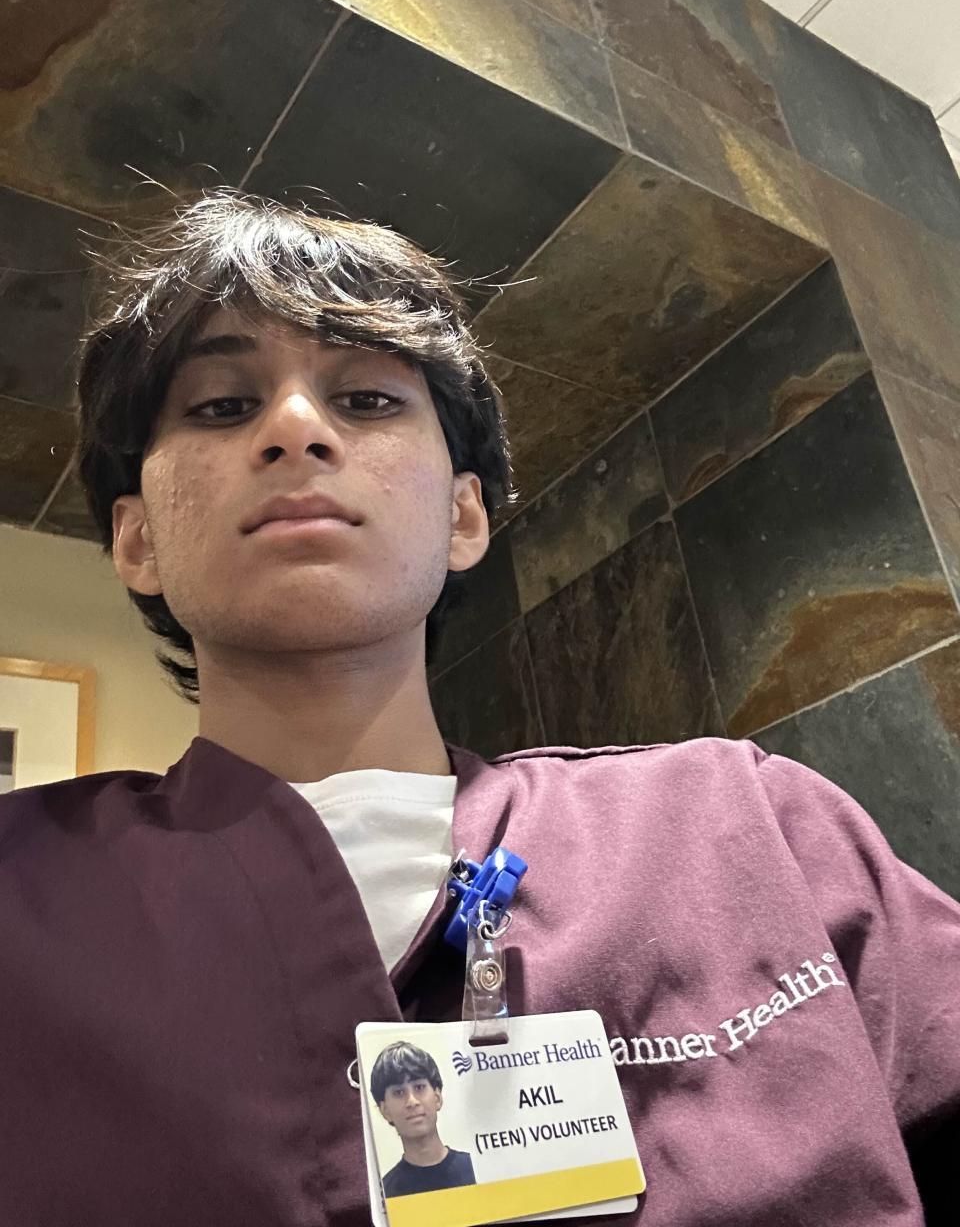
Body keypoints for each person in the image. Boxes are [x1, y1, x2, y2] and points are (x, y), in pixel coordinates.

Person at [1, 188, 957, 1227]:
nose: (295, 428)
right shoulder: (21, 894)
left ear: (463, 516)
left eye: (366, 399)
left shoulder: (751, 827)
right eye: (223, 406)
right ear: (138, 539)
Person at [369, 1041, 475, 1197]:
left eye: (419, 1087)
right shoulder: (384, 1195)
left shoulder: (478, 1169)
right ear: (385, 1110)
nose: (412, 1101)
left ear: (437, 1097)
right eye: (399, 1092)